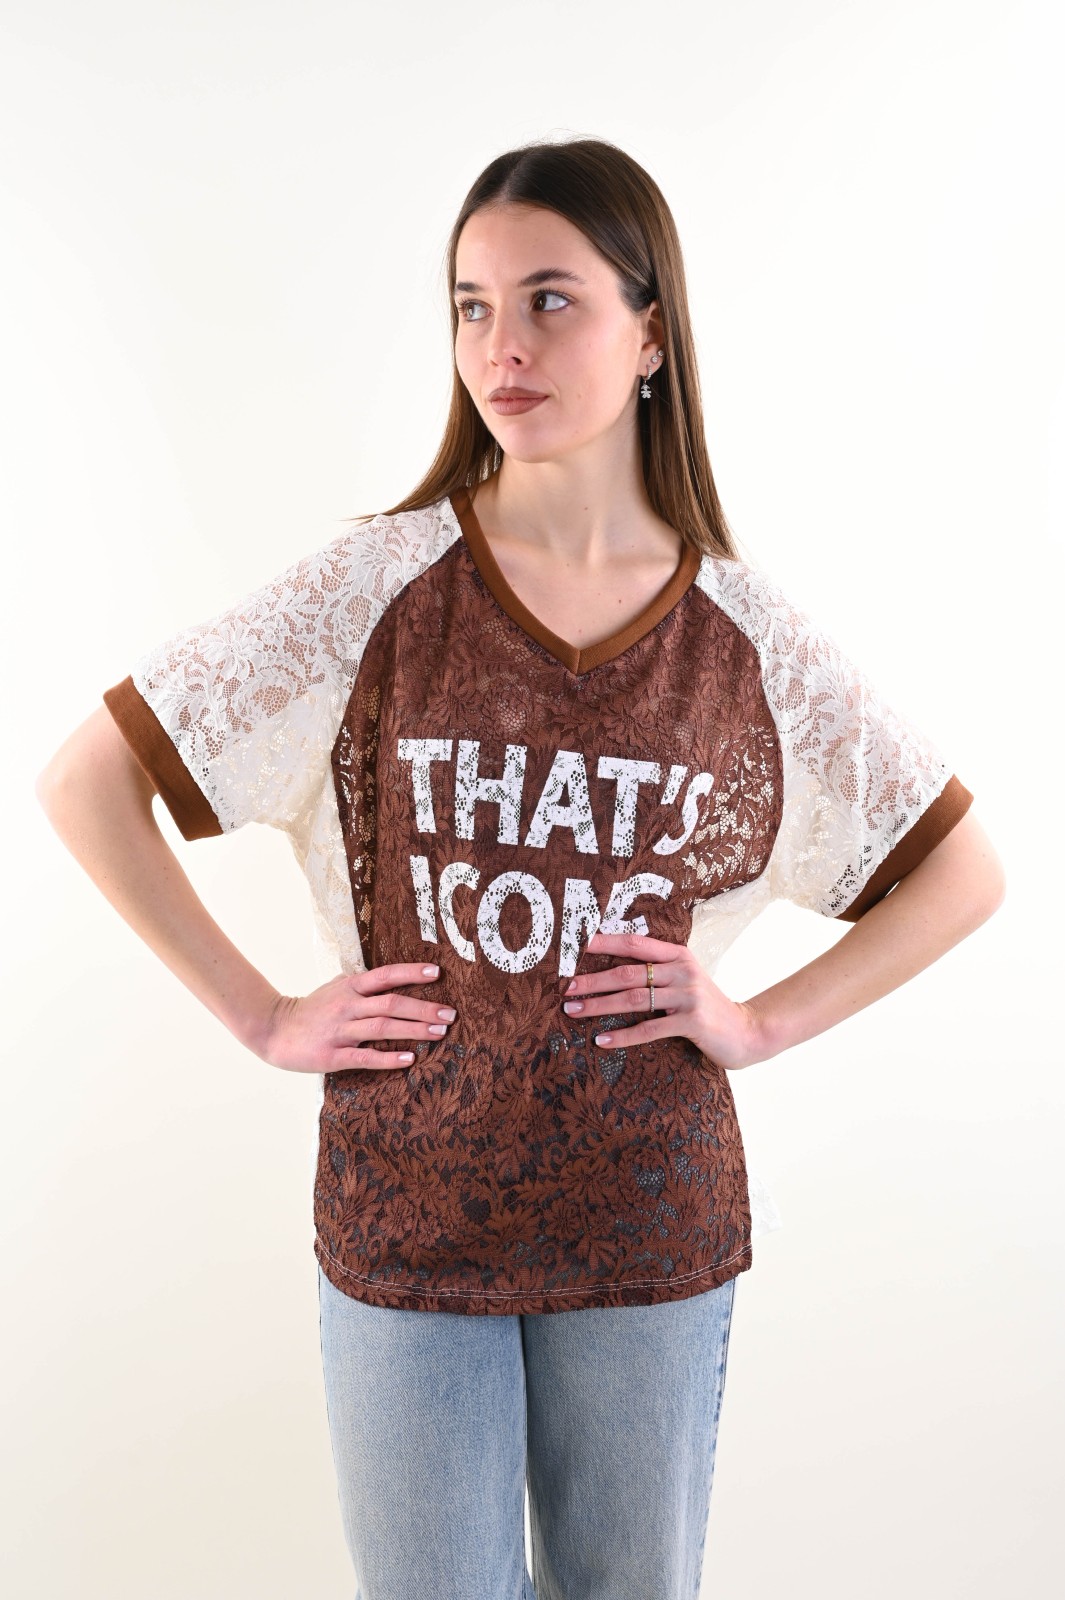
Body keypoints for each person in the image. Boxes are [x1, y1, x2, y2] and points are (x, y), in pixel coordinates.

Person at [36, 135, 1005, 1600]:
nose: (503, 346)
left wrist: (757, 1022)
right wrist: (261, 1013)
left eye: (550, 300)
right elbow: (88, 779)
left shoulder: (743, 639)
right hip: (408, 1216)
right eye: (471, 307)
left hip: (649, 1224)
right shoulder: (372, 589)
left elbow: (963, 872)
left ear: (650, 333)